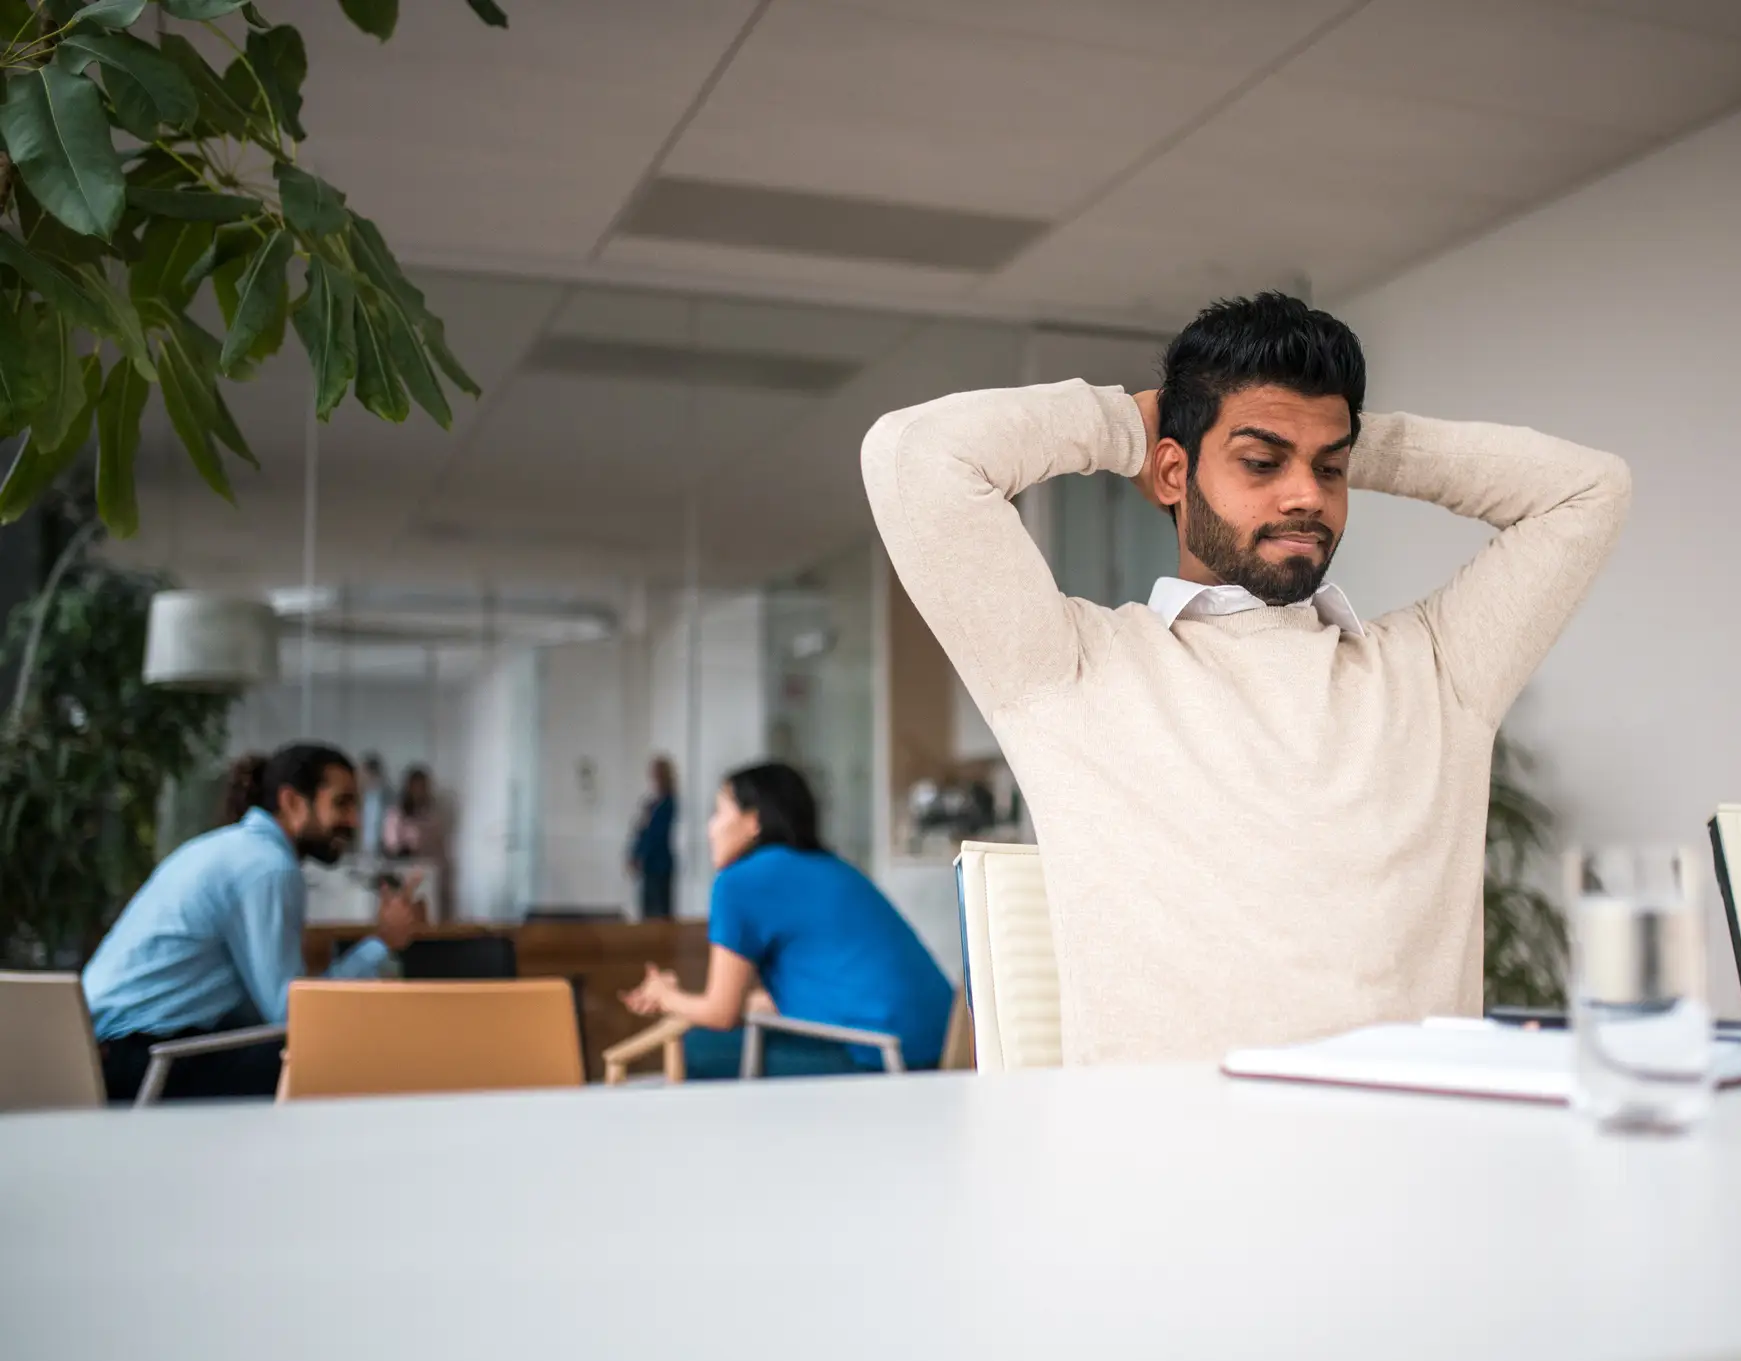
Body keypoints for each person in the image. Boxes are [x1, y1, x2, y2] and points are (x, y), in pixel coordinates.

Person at [862, 291, 1631, 1064]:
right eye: (1261, 461)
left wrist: (1357, 442)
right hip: (1175, 1165)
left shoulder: (1436, 671)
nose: (1305, 494)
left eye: (1330, 469)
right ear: (1172, 473)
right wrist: (1129, 427)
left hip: (1411, 1159)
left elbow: (1587, 490)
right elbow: (914, 456)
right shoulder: (1070, 670)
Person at [82, 743, 425, 1101]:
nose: (354, 820)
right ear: (292, 802)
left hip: (106, 1052)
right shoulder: (269, 867)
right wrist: (382, 942)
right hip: (140, 1061)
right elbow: (292, 1014)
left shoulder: (227, 847)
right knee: (343, 1053)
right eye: (342, 803)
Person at [621, 762, 954, 1078]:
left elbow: (720, 1014)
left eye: (719, 811)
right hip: (944, 1050)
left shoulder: (740, 881)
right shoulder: (832, 867)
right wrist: (689, 1000)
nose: (711, 828)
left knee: (697, 1049)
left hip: (878, 1057)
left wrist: (665, 997)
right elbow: (793, 996)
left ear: (753, 822)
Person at [628, 756, 678, 920]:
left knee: (659, 911)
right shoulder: (652, 803)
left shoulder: (668, 803)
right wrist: (635, 854)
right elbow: (642, 831)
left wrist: (642, 855)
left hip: (659, 865)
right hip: (649, 866)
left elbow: (656, 834)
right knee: (647, 911)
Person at [358, 752, 389, 856]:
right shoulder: (361, 797)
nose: (360, 777)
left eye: (363, 773)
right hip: (363, 850)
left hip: (383, 850)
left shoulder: (388, 797)